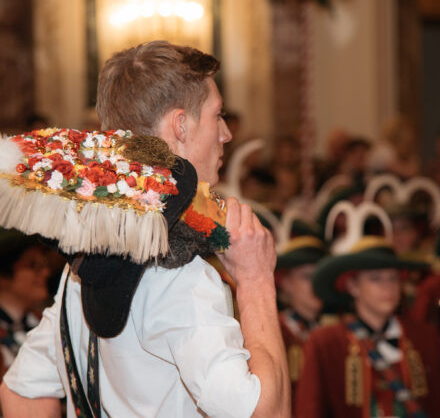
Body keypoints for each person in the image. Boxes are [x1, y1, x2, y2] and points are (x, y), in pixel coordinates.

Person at [0, 41, 290, 417]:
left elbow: (21, 392)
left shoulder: (83, 267)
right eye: (217, 115)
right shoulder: (179, 275)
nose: (226, 134)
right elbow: (265, 413)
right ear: (181, 125)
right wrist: (255, 280)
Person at [295, 235, 440, 417]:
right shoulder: (325, 343)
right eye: (375, 278)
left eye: (393, 278)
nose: (388, 287)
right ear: (353, 286)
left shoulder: (423, 336)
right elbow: (309, 410)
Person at [276, 221, 327, 414]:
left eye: (320, 278)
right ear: (285, 283)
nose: (315, 285)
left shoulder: (336, 331)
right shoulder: (275, 329)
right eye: (307, 277)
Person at [0, 229, 51, 382]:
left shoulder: (45, 323)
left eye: (44, 264)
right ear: (3, 274)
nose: (46, 272)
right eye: (34, 265)